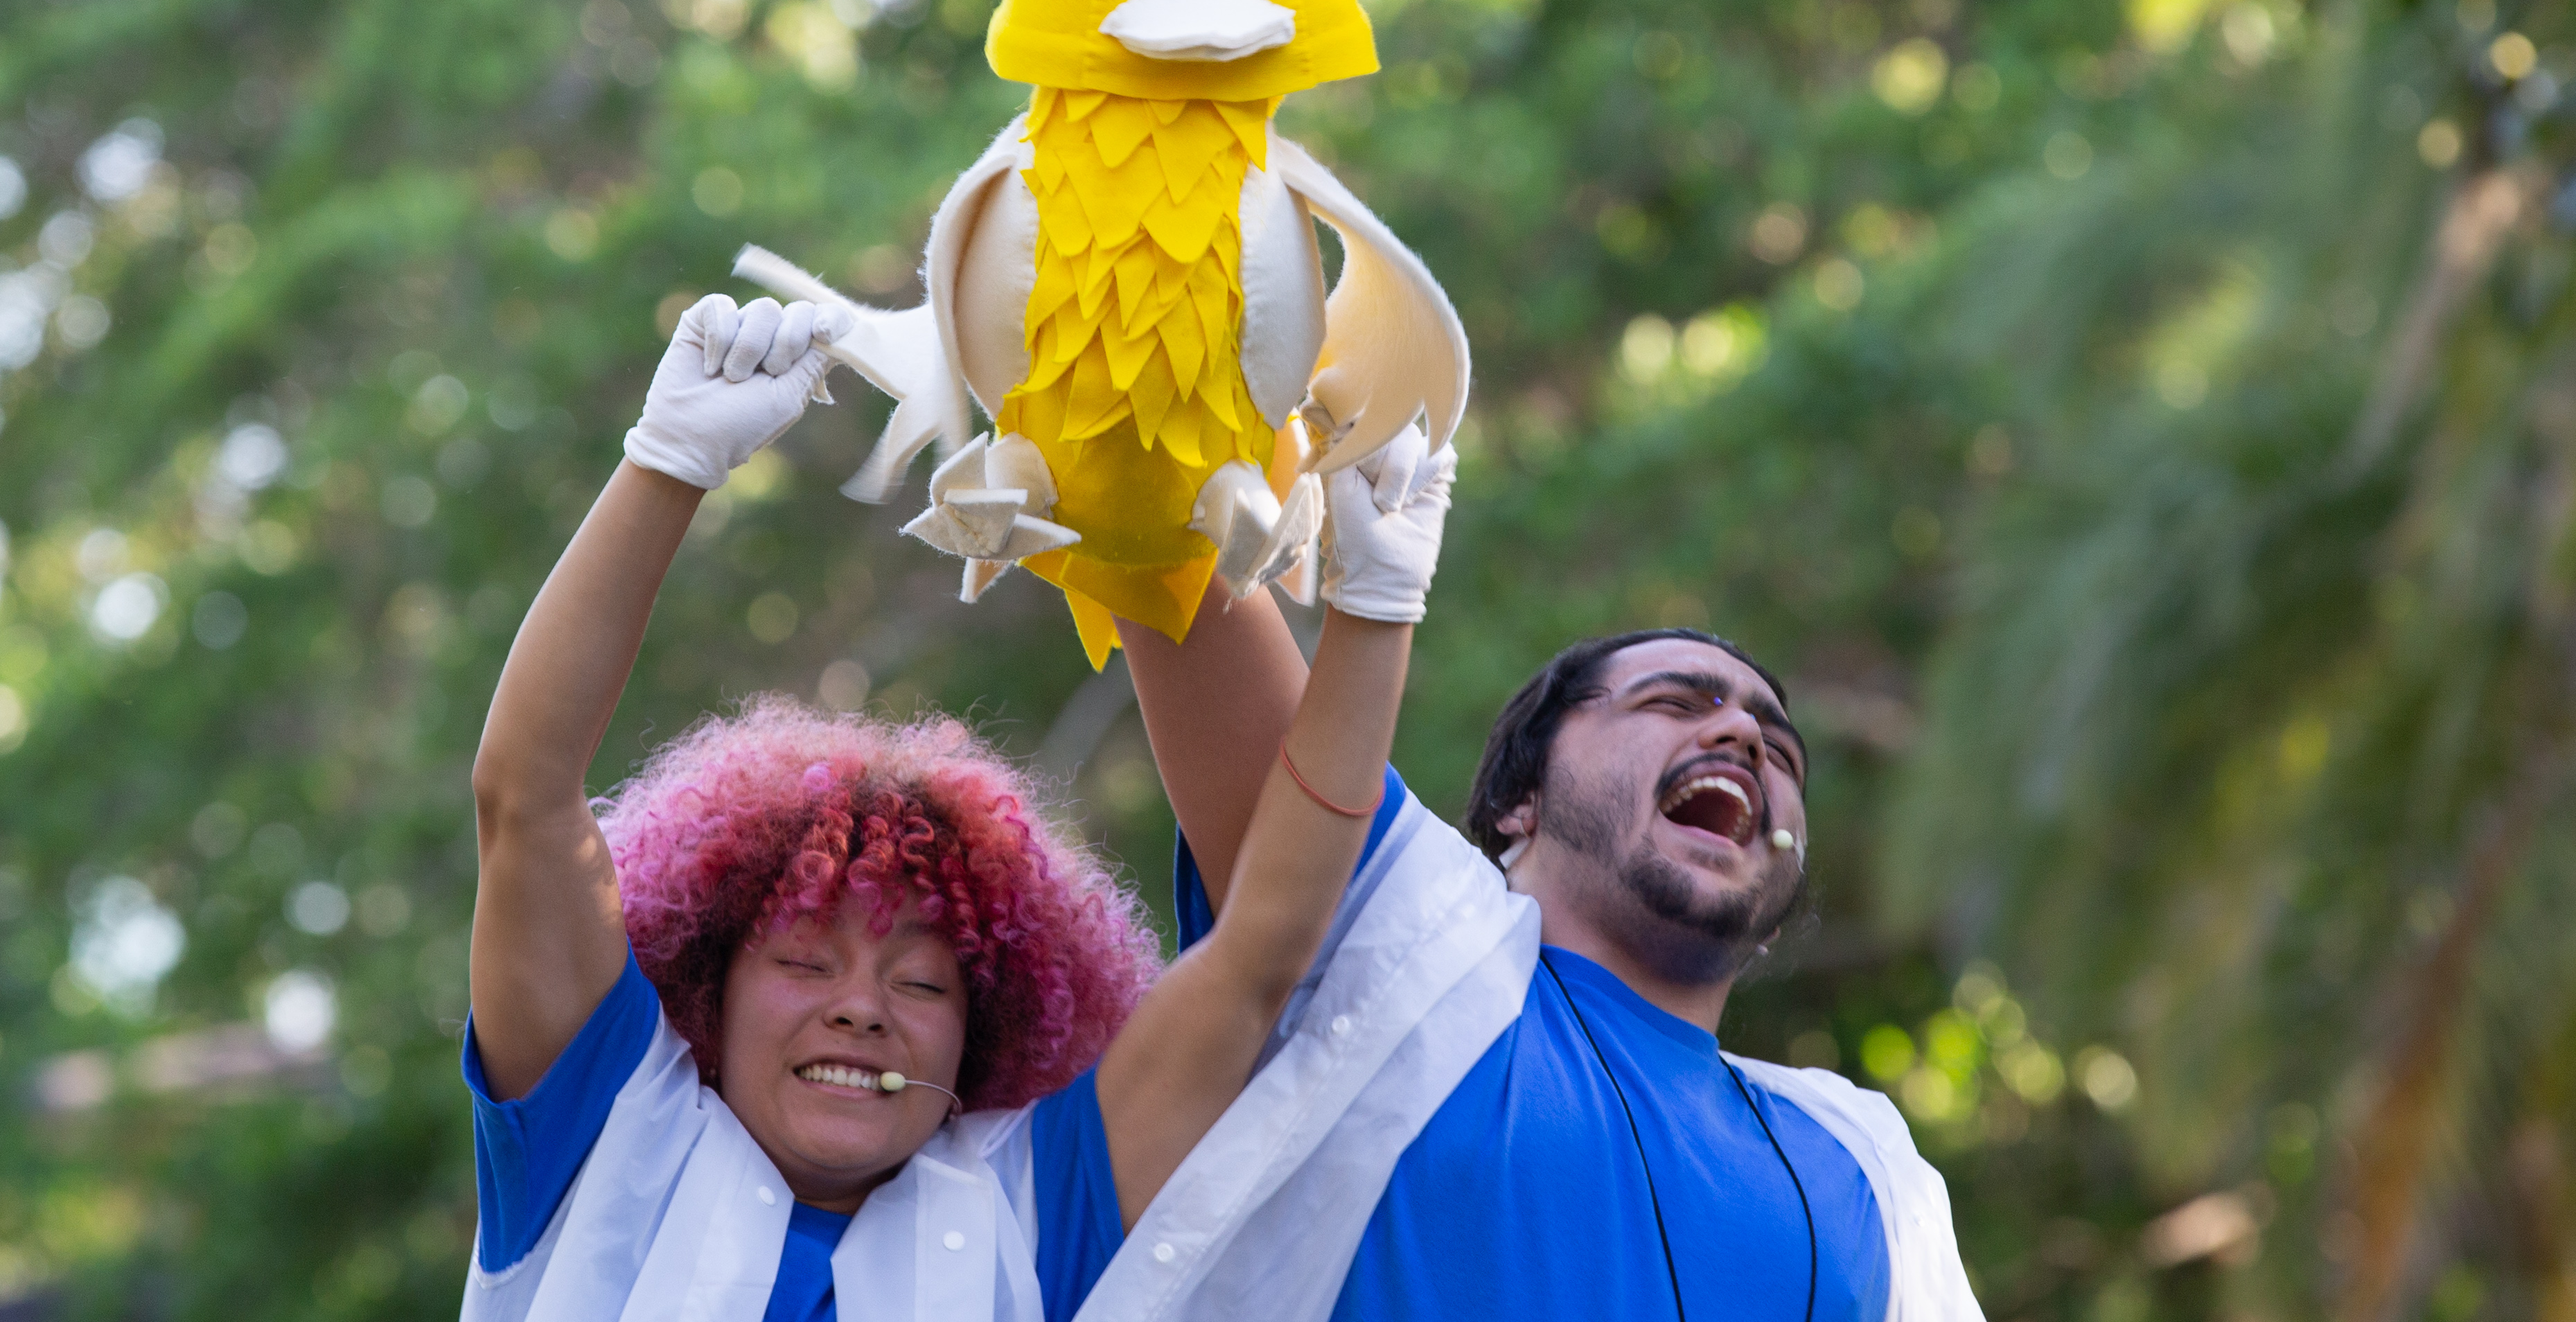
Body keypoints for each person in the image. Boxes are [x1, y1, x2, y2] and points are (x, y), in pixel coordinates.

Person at [459, 292, 1456, 1321]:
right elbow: (524, 799)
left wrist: (1377, 611)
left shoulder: (1038, 1201)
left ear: (982, 1035)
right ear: (711, 993)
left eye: (923, 986)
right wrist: (666, 461)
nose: (861, 1010)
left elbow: (1269, 950)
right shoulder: (608, 1133)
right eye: (805, 963)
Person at [1088, 586, 1985, 1321]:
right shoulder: (1402, 944)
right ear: (1519, 801)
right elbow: (1170, 548)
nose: (1748, 738)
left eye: (1781, 751)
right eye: (1675, 703)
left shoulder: (1869, 1163)